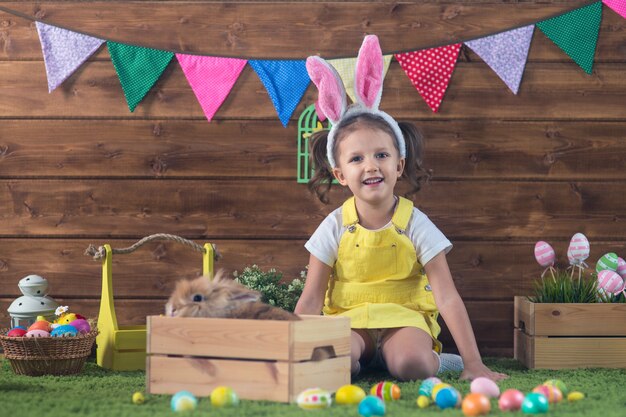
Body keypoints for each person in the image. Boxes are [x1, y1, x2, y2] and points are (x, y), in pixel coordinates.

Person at [294, 35, 507, 382]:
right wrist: (297, 354)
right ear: (340, 174)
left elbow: (447, 296)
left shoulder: (415, 224)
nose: (371, 166)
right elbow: (311, 298)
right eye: (356, 159)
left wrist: (474, 363)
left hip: (405, 321)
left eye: (381, 155)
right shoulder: (334, 226)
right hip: (349, 321)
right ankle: (362, 361)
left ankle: (444, 361)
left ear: (399, 165)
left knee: (412, 366)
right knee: (331, 363)